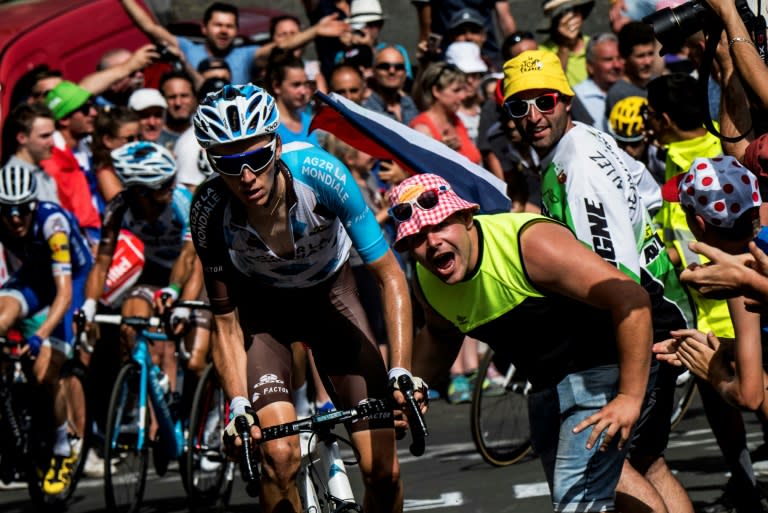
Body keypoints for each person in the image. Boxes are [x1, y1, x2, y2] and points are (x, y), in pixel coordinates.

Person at [189, 83, 420, 513]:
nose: (246, 177)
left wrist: (401, 370)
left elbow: (390, 275)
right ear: (210, 161)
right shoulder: (208, 208)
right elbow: (224, 320)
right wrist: (238, 404)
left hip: (333, 301)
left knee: (383, 472)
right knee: (277, 458)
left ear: (276, 145)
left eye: (257, 159)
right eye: (228, 163)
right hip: (266, 316)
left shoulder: (321, 173)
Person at [502, 49, 696, 513]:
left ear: (566, 99)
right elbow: (648, 194)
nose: (533, 115)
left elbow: (617, 278)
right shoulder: (585, 140)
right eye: (519, 106)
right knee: (646, 461)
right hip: (657, 308)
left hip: (644, 321)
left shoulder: (580, 169)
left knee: (613, 462)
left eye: (545, 101)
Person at [394, 172, 652, 512]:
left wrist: (629, 397)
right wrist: (413, 386)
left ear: (467, 218)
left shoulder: (530, 244)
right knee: (627, 479)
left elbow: (632, 300)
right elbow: (442, 336)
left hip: (607, 364)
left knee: (578, 502)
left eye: (440, 225)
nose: (431, 243)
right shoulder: (428, 280)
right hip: (546, 383)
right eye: (417, 237)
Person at [80, 141, 201, 475]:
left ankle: (200, 423)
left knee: (197, 358)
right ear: (140, 192)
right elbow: (102, 260)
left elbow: (190, 258)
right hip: (150, 273)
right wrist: (90, 304)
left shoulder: (181, 201)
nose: (170, 187)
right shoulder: (119, 206)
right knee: (132, 321)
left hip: (191, 272)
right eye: (163, 184)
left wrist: (178, 298)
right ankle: (144, 391)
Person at [0, 165, 93, 495]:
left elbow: (64, 294)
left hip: (73, 282)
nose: (14, 218)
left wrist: (39, 336)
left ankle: (61, 447)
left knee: (44, 374)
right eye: (7, 210)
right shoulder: (6, 218)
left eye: (22, 209)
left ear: (34, 204)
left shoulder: (52, 224)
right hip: (35, 278)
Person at [654, 156, 764, 410]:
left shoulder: (736, 273)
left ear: (698, 223)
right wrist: (724, 348)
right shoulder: (761, 245)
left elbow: (751, 395)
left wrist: (713, 370)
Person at [120, 0, 348, 85]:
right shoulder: (188, 48)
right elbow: (150, 28)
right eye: (218, 25)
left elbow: (282, 46)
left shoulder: (246, 56)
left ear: (236, 30)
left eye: (229, 26)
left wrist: (315, 30)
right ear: (204, 28)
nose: (224, 31)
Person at [42, 81, 101, 244]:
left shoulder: (88, 146)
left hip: (97, 235)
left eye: (93, 106)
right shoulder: (50, 160)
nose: (94, 113)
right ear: (64, 119)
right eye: (85, 109)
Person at [1, 103, 60, 204]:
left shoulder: (42, 173)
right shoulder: (13, 179)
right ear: (22, 138)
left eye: (52, 134)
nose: (53, 142)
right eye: (45, 136)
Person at [572, 33, 623, 132]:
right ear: (590, 67)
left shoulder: (633, 89)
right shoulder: (576, 98)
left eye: (619, 58)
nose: (617, 65)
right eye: (608, 59)